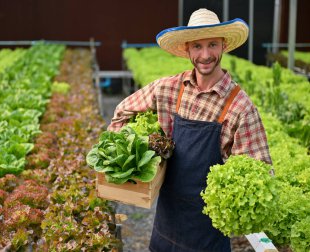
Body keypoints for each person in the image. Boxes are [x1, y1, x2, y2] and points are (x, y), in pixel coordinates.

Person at [108, 8, 272, 252]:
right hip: (166, 225)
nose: (205, 55)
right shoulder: (168, 88)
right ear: (187, 49)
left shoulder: (240, 107)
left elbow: (260, 173)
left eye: (212, 45)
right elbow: (122, 113)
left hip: (207, 235)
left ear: (224, 45)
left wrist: (235, 202)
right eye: (197, 46)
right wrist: (130, 157)